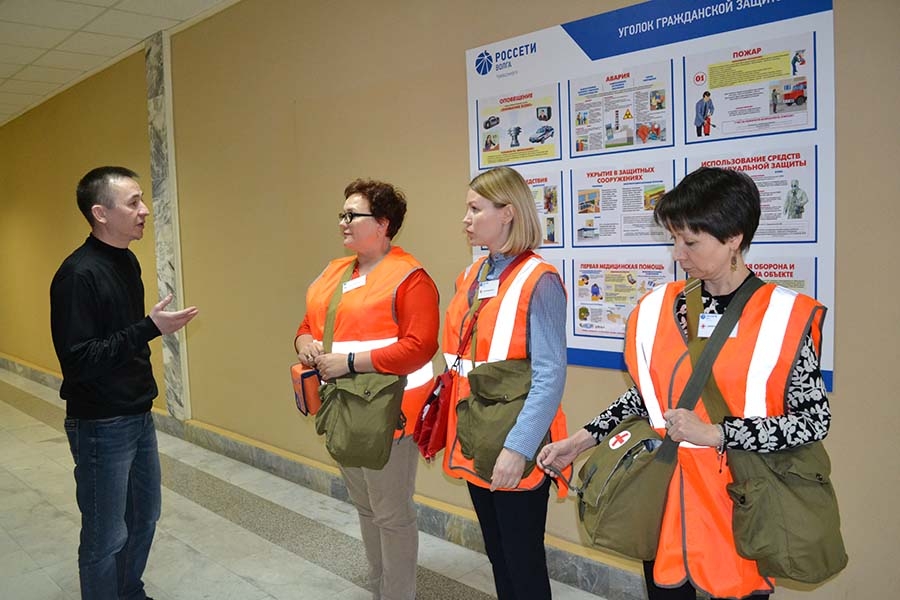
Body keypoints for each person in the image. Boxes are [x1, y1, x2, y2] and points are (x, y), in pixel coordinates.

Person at [538, 167, 830, 600]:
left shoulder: (783, 316)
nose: (678, 254)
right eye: (673, 239)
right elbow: (649, 397)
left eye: (690, 242)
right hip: (666, 494)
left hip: (742, 503)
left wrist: (719, 433)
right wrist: (580, 441)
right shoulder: (662, 307)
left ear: (733, 237)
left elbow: (812, 421)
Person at [50, 166, 199, 600]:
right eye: (133, 202)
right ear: (100, 213)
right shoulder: (77, 275)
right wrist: (148, 328)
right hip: (100, 424)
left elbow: (123, 338)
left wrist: (145, 329)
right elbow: (79, 361)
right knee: (105, 535)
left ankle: (129, 592)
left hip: (137, 414)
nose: (145, 210)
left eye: (142, 200)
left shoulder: (127, 261)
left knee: (143, 518)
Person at [294, 179, 439, 600]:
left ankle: (397, 594)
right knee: (366, 507)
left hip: (389, 414)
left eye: (352, 215)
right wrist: (304, 343)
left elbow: (420, 346)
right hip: (343, 409)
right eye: (342, 214)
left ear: (382, 223)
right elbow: (307, 324)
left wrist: (352, 362)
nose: (343, 222)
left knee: (391, 515)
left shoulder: (410, 278)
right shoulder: (335, 272)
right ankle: (379, 587)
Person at [442, 166, 569, 600]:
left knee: (522, 561)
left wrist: (518, 449)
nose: (466, 219)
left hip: (516, 440)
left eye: (475, 209)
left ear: (508, 213)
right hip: (476, 434)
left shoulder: (540, 280)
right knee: (498, 554)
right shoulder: (472, 276)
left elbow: (550, 375)